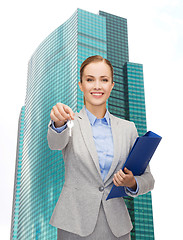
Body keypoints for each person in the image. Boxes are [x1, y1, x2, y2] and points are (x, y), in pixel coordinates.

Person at [47, 55, 155, 240]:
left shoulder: (128, 129)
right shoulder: (69, 121)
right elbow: (55, 144)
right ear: (80, 85)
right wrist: (58, 123)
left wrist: (131, 183)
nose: (97, 86)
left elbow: (148, 179)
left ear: (112, 85)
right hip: (74, 223)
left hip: (116, 227)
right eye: (90, 80)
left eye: (104, 80)